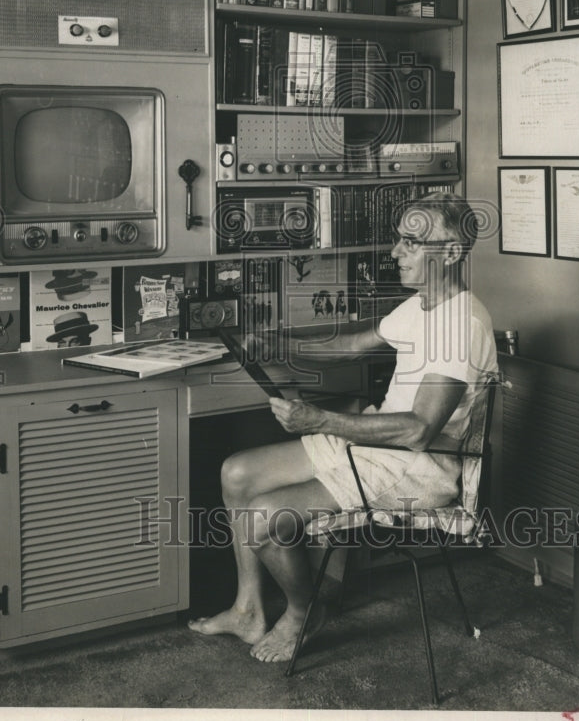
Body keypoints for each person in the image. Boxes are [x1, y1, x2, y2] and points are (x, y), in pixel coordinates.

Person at [188, 193, 497, 663]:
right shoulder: (423, 305)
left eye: (412, 243)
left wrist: (322, 421)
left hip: (418, 468)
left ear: (451, 253)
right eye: (399, 240)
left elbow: (419, 431)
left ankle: (301, 612)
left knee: (261, 519)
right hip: (379, 446)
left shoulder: (461, 325)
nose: (395, 253)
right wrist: (279, 343)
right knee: (237, 474)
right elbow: (353, 345)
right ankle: (249, 608)